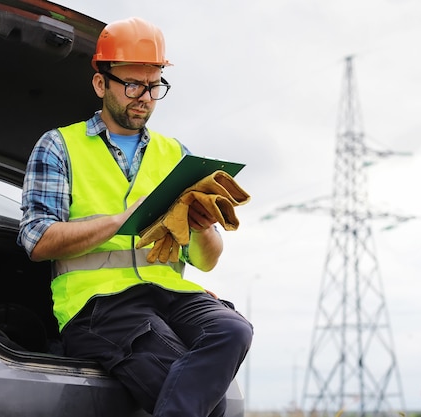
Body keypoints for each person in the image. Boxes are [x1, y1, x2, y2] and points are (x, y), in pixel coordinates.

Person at [17, 16, 253, 417]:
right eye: (132, 84)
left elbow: (207, 261)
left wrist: (200, 226)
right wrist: (121, 219)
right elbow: (37, 241)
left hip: (170, 296)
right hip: (98, 306)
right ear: (100, 84)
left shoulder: (176, 154)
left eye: (154, 85)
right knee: (198, 398)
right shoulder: (58, 147)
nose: (144, 96)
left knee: (233, 329)